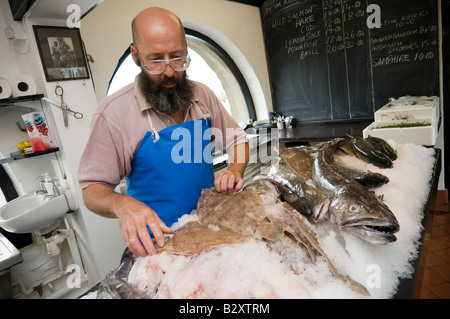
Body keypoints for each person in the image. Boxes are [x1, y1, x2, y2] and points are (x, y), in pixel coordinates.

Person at [77, 7, 249, 257]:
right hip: (160, 245)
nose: (169, 72)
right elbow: (92, 189)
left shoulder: (203, 95)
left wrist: (234, 170)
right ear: (136, 56)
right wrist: (121, 204)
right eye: (156, 60)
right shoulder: (112, 114)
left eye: (178, 58)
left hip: (211, 227)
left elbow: (237, 139)